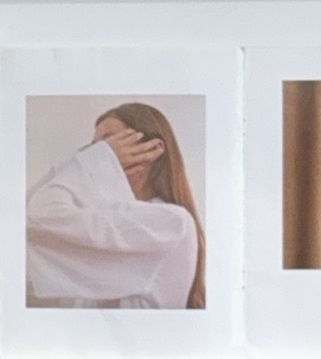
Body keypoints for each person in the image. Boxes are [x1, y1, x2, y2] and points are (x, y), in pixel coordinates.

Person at [26, 101, 206, 309]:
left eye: (108, 144)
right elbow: (23, 222)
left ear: (153, 149)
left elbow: (39, 215)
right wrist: (85, 160)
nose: (96, 155)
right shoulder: (110, 218)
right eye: (95, 149)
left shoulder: (170, 222)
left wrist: (90, 162)